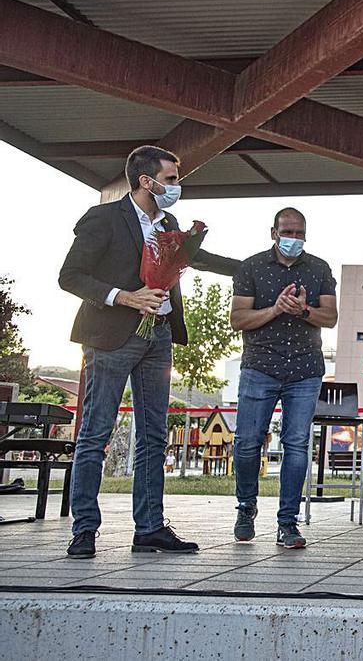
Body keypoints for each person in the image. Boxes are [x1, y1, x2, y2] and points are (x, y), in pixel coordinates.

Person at [58, 145, 240, 558]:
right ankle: (84, 528)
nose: (177, 186)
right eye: (172, 179)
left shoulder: (170, 222)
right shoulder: (103, 218)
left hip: (158, 338)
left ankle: (150, 527)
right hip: (111, 338)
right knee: (95, 434)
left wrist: (253, 266)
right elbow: (70, 276)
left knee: (155, 436)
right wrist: (124, 297)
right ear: (146, 180)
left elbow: (199, 258)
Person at [229, 208, 338, 549]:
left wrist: (304, 311)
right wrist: (276, 309)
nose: (294, 239)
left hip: (305, 370)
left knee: (296, 446)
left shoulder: (319, 268)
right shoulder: (251, 267)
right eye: (288, 232)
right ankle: (246, 507)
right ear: (273, 232)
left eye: (300, 233)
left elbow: (331, 317)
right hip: (260, 366)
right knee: (247, 442)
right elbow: (238, 319)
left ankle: (287, 524)